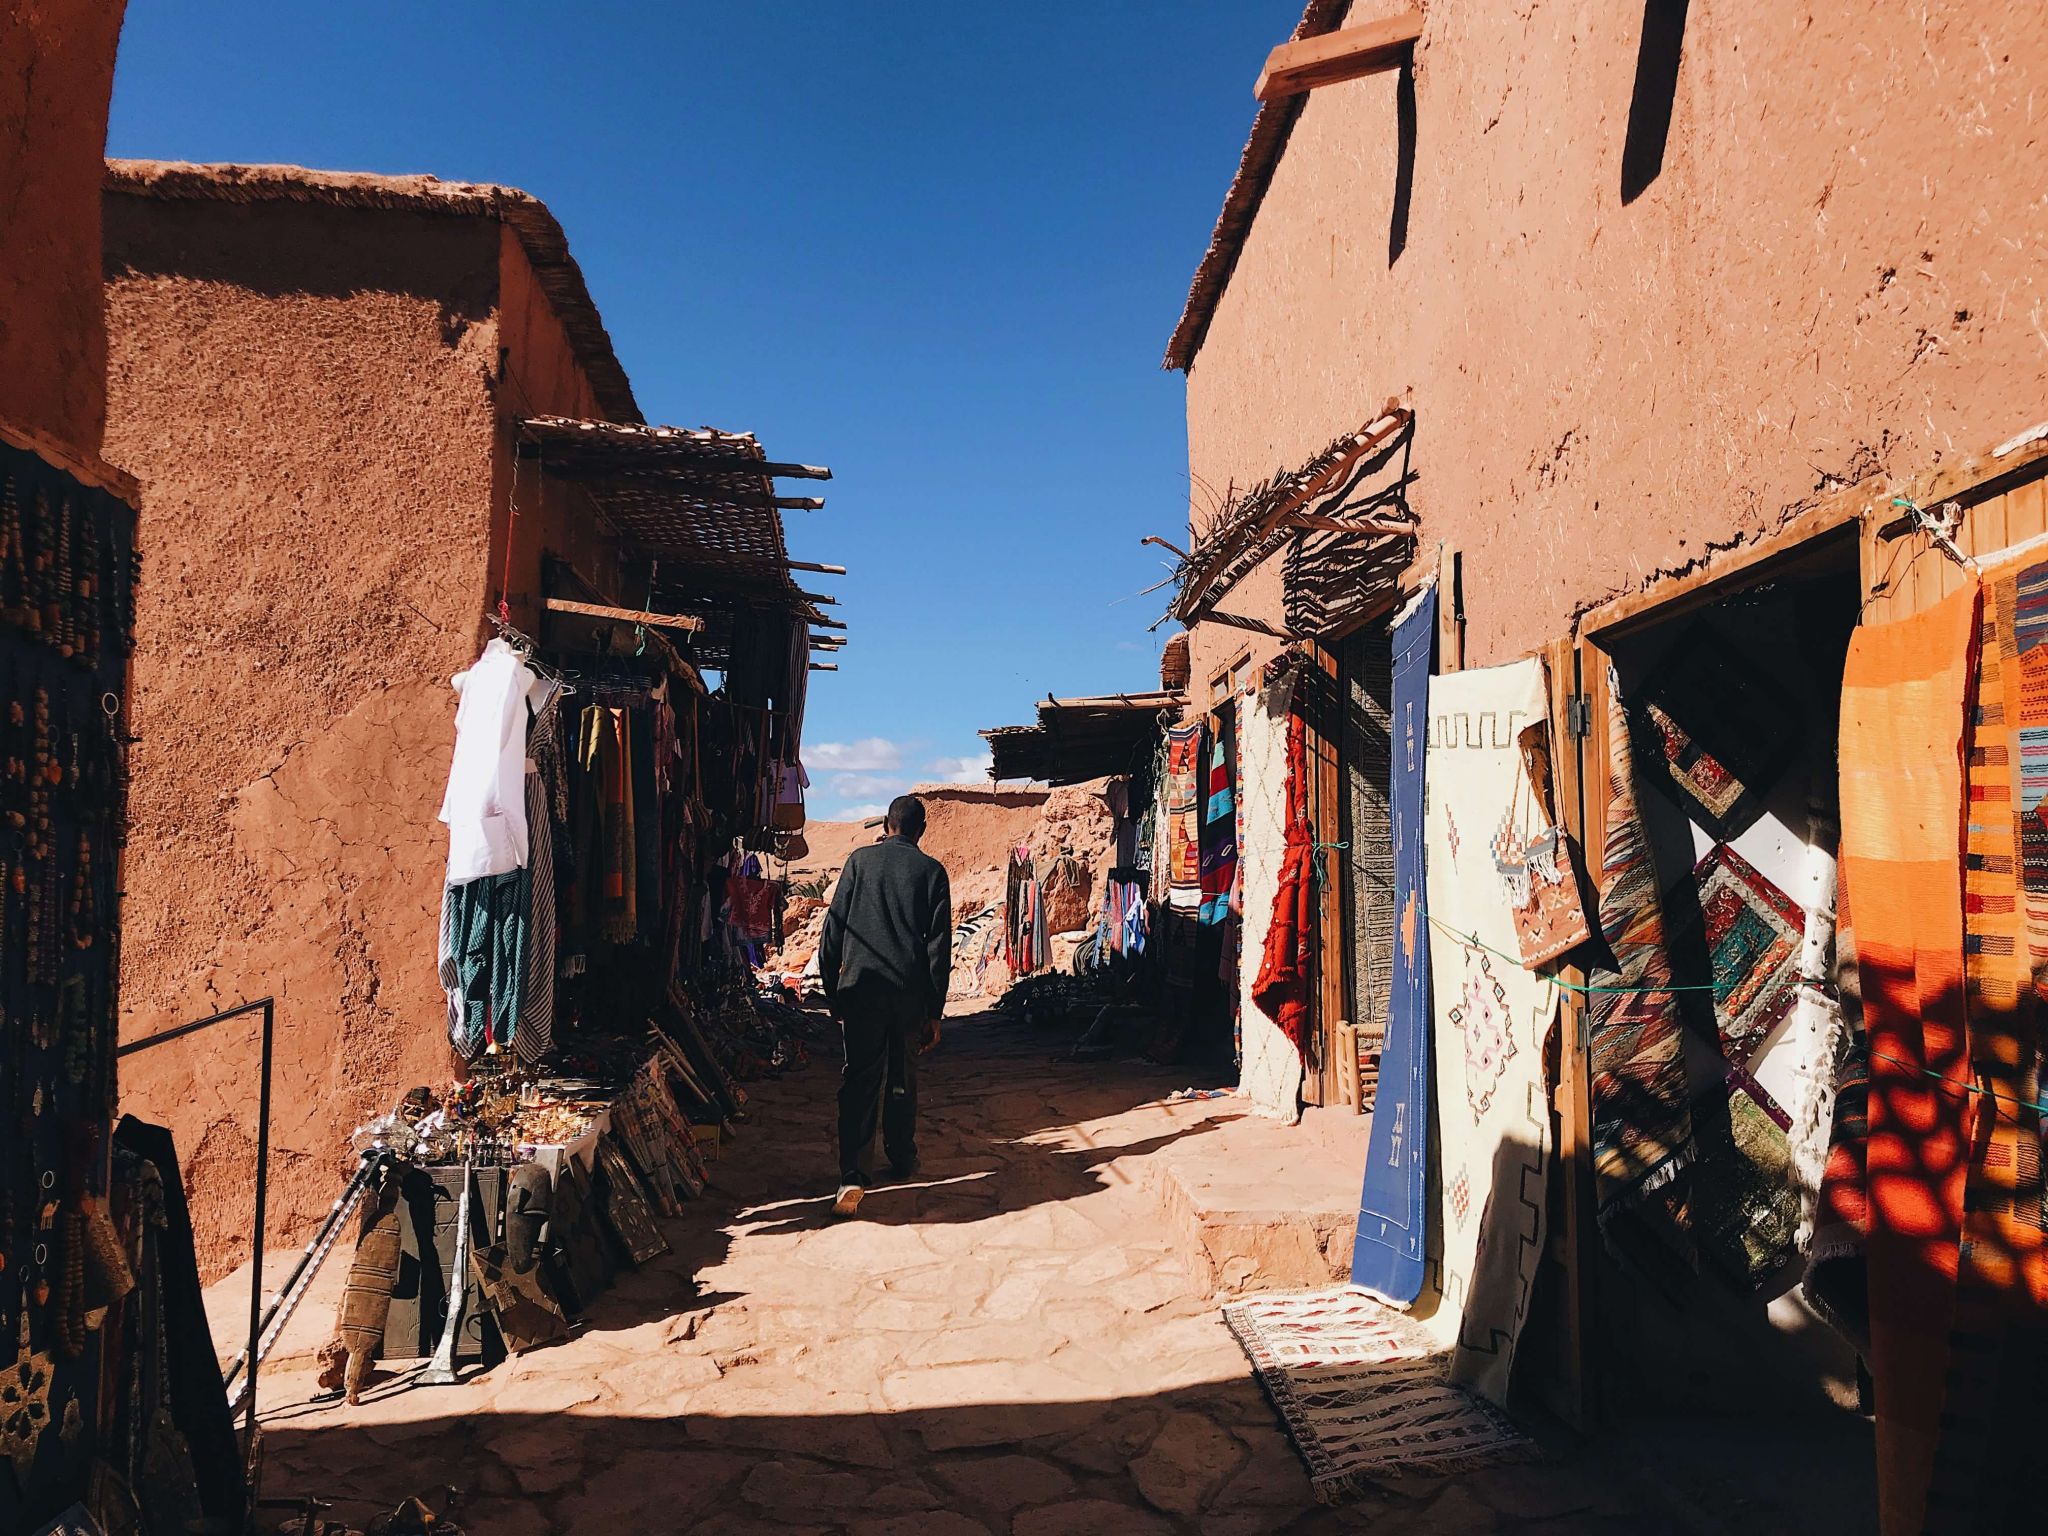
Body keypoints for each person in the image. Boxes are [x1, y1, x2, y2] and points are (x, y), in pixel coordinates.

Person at [817, 793, 952, 1216]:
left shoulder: (859, 862)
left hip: (861, 991)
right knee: (901, 1077)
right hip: (908, 994)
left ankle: (853, 1174)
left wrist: (831, 991)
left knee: (860, 1079)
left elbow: (833, 931)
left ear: (886, 826)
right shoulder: (932, 872)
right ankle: (902, 1155)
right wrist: (935, 1011)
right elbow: (938, 949)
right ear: (921, 830)